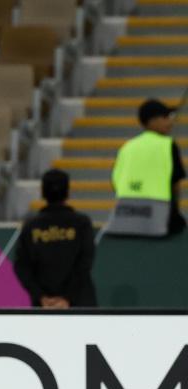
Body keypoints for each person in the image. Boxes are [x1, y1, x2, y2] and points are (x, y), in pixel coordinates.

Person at [14, 169, 97, 309]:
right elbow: (84, 264)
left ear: (42, 192)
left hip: (43, 307)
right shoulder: (82, 224)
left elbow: (22, 267)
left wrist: (41, 297)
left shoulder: (31, 226)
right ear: (68, 192)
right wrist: (67, 298)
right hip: (80, 305)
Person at [109, 98, 186, 236]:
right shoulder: (167, 145)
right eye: (165, 117)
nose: (170, 122)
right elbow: (176, 184)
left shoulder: (127, 146)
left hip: (125, 217)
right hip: (160, 218)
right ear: (152, 121)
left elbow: (116, 180)